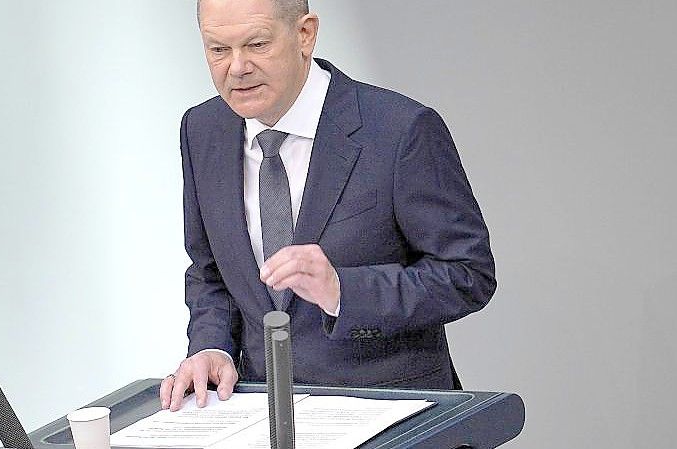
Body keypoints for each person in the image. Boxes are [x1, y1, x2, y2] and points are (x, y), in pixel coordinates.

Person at [160, 0, 496, 411]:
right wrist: (213, 347)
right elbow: (210, 273)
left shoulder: (400, 129)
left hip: (389, 409)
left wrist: (342, 291)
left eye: (257, 44)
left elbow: (467, 273)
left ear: (305, 34)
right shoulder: (202, 130)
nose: (237, 67)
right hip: (265, 416)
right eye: (218, 49)